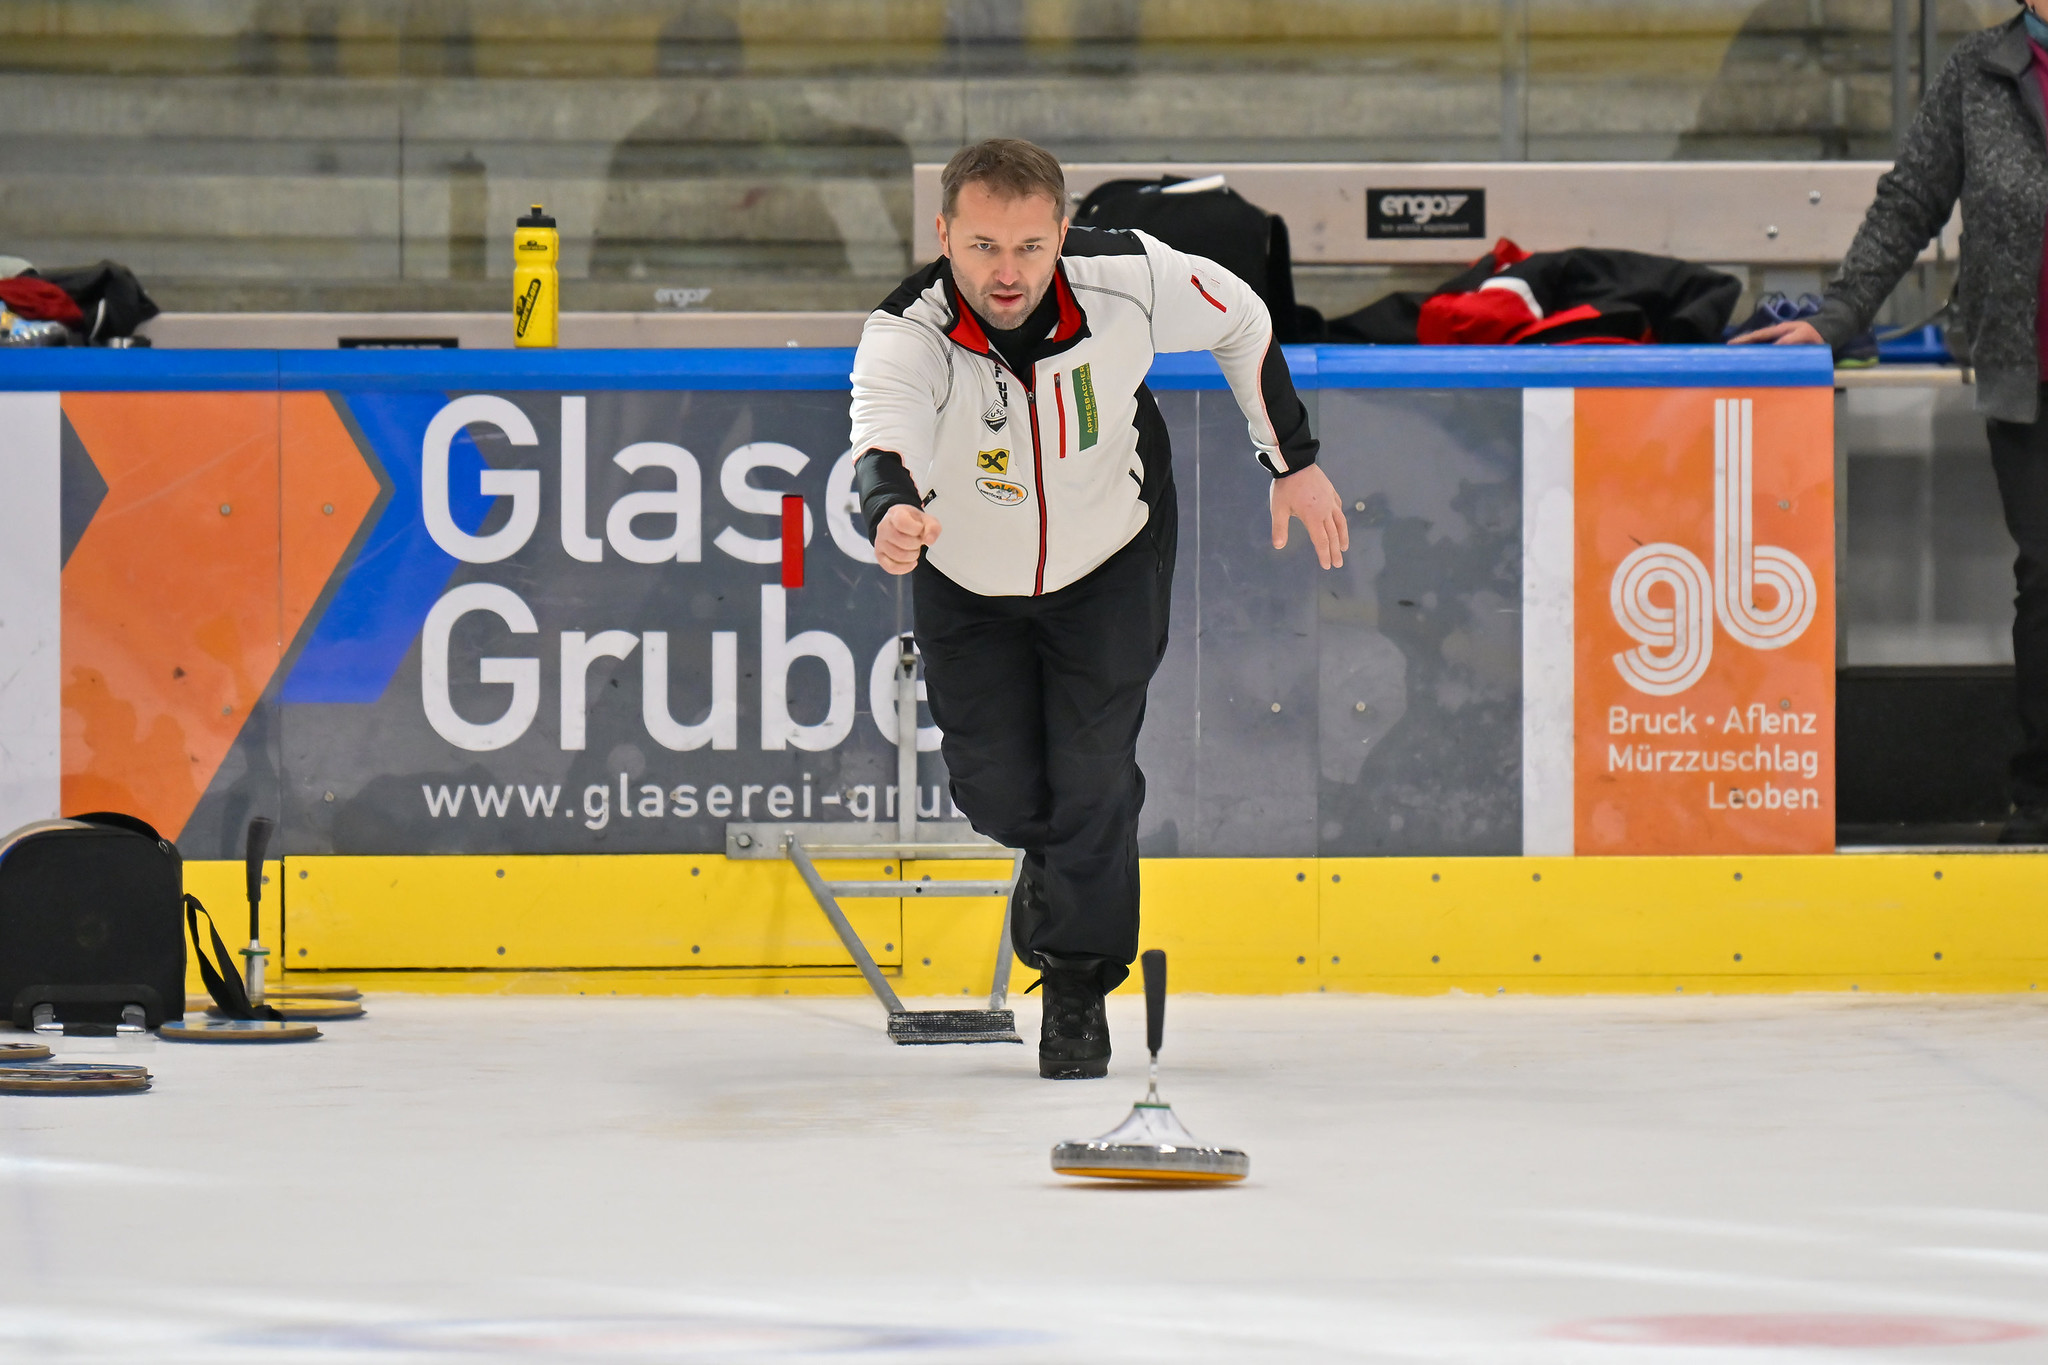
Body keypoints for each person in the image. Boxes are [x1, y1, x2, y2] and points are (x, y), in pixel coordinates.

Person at [847, 138, 1349, 1078]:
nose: (1008, 272)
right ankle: (1059, 865)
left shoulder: (1130, 276)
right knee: (998, 794)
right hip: (969, 579)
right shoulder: (905, 331)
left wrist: (1293, 459)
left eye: (1031, 247)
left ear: (1063, 234)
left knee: (1091, 771)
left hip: (1112, 555)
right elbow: (883, 438)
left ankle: (1076, 988)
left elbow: (1243, 318)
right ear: (944, 233)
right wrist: (893, 509)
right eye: (985, 246)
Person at [1733, 1, 2048, 845]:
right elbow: (1909, 203)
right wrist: (1838, 317)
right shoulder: (1980, 72)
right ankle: (2042, 794)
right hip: (2029, 374)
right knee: (2047, 579)